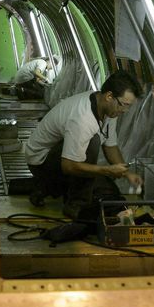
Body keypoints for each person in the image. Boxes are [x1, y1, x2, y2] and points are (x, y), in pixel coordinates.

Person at [24, 71, 143, 219]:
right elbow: (69, 165)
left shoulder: (108, 108)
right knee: (92, 145)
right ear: (109, 96)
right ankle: (75, 204)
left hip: (57, 155)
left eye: (128, 106)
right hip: (40, 162)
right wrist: (106, 170)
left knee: (100, 180)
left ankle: (47, 188)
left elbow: (110, 146)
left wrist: (127, 173)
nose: (125, 111)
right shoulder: (83, 118)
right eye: (124, 105)